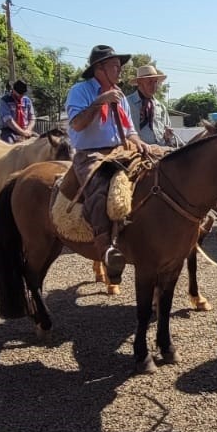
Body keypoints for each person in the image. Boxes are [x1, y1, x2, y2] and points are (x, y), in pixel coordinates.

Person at [66, 44, 150, 270]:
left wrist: (141, 143)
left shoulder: (119, 95)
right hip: (90, 153)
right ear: (99, 68)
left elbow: (130, 130)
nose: (120, 70)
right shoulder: (80, 91)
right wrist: (100, 101)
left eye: (120, 66)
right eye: (115, 66)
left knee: (160, 164)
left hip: (120, 150)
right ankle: (106, 248)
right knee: (100, 188)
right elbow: (77, 124)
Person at [125, 64, 176, 146]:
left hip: (160, 151)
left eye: (155, 81)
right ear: (139, 83)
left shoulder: (161, 107)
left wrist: (167, 136)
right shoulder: (126, 103)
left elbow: (167, 135)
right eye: (150, 82)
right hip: (136, 152)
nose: (154, 85)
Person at [0, 79, 35, 143]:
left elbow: (32, 118)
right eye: (19, 93)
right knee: (9, 144)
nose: (21, 96)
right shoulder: (4, 101)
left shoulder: (27, 101)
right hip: (9, 131)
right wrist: (22, 132)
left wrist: (28, 130)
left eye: (23, 94)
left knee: (42, 142)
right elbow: (9, 121)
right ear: (13, 90)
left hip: (26, 130)